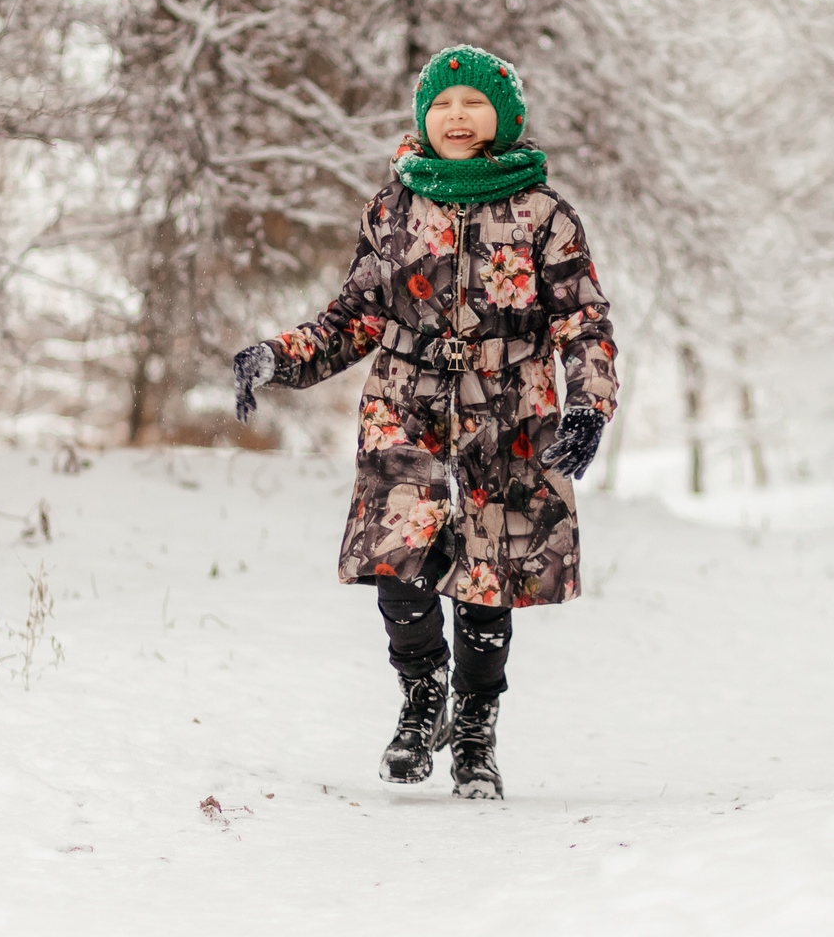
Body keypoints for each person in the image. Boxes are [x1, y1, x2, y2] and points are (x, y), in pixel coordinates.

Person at [231, 46, 618, 799]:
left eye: (473, 103)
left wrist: (589, 401)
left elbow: (583, 320)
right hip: (405, 405)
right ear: (423, 118)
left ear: (502, 119)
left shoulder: (546, 215)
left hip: (507, 412)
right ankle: (420, 697)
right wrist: (277, 357)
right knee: (396, 558)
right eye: (441, 104)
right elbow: (354, 317)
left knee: (486, 582)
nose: (457, 115)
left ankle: (475, 730)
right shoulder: (393, 208)